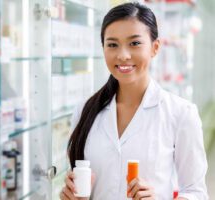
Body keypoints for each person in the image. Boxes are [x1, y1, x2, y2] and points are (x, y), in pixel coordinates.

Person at [59, 2, 208, 200]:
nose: (123, 55)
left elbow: (196, 192)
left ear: (155, 47)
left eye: (135, 43)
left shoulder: (181, 113)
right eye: (112, 44)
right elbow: (77, 181)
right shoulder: (85, 111)